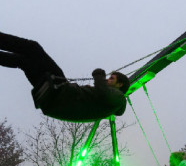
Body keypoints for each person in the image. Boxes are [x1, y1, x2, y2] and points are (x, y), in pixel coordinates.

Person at [0, 32, 130, 122]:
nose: (107, 79)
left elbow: (102, 91)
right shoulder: (108, 105)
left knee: (33, 48)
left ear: (120, 85)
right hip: (52, 99)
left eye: (112, 78)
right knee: (24, 62)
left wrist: (99, 74)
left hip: (61, 92)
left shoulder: (118, 98)